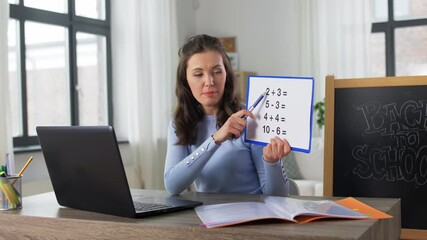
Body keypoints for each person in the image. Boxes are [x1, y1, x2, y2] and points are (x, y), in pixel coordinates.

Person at [164, 34, 291, 196]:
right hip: (208, 217)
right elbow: (172, 186)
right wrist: (216, 139)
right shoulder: (180, 122)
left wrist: (272, 162)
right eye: (198, 74)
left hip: (253, 216)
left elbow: (277, 196)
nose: (209, 81)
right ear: (185, 80)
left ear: (227, 75)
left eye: (216, 71)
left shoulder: (251, 118)